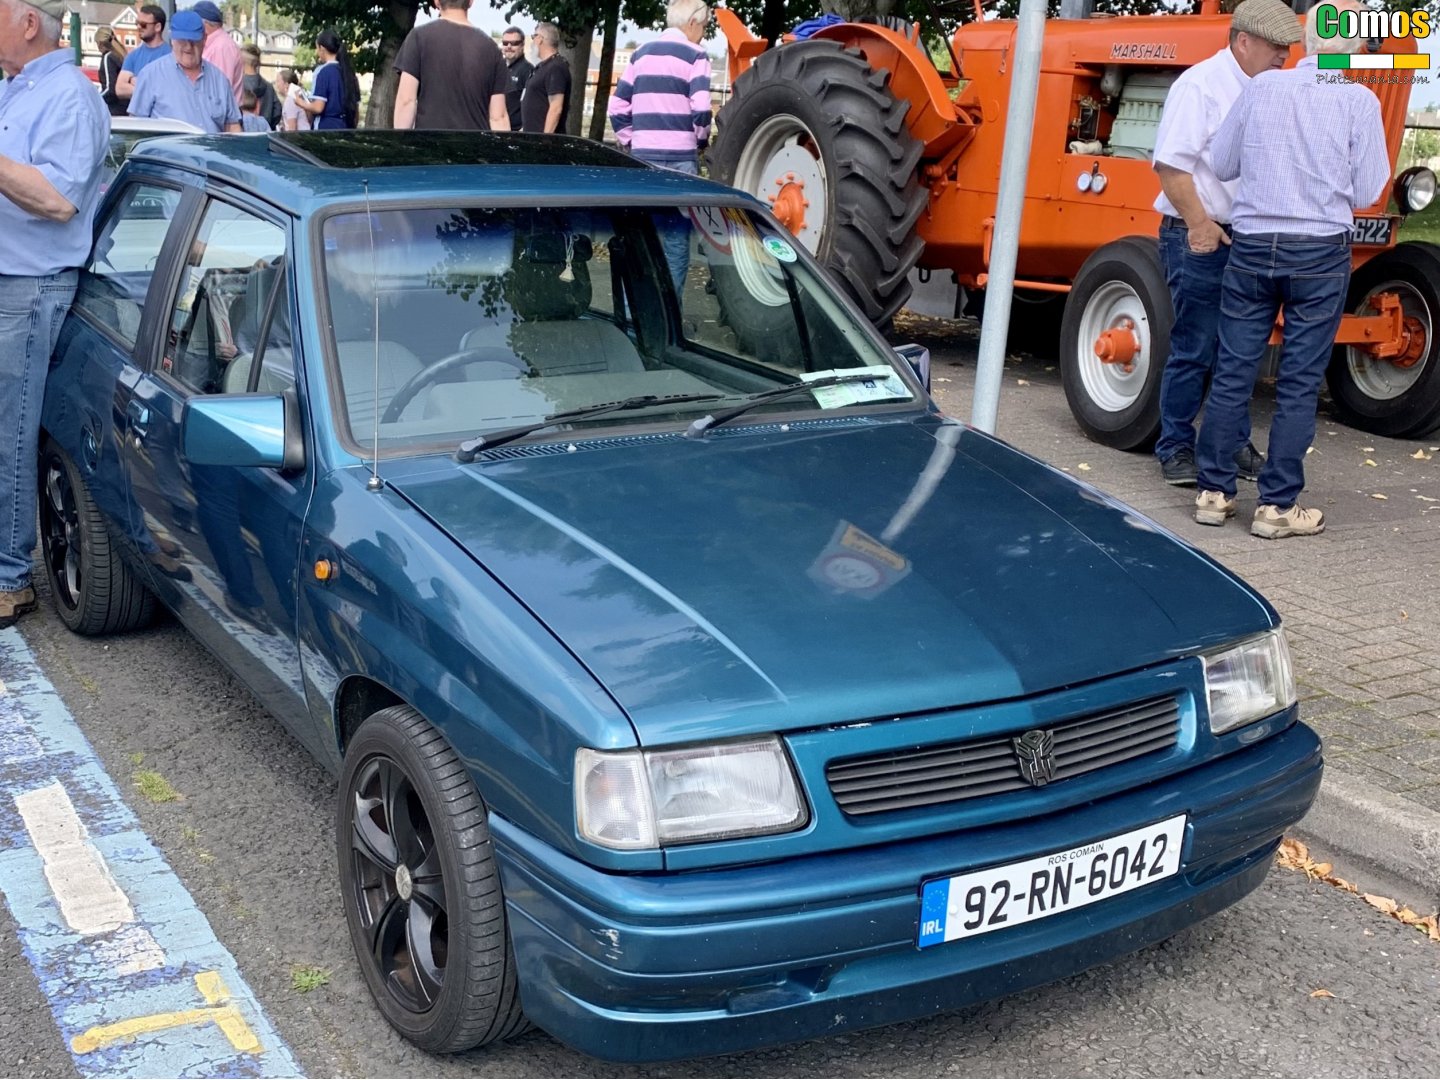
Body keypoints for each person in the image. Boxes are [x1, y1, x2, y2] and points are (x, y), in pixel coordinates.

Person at [1193, 0, 1389, 538]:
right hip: (1320, 250)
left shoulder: (1260, 88)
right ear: (1354, 46)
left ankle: (1213, 493)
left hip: (1253, 244)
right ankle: (1277, 507)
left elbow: (1225, 163)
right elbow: (1372, 187)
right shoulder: (1360, 101)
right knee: (1299, 382)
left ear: (1306, 39)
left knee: (1233, 371)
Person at [1150, 0, 1299, 488]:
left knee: (1235, 351)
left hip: (1242, 235)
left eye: (1288, 46)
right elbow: (1172, 166)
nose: (1284, 54)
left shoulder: (1264, 88)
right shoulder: (1200, 86)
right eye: (1276, 46)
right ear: (1242, 41)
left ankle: (1228, 445)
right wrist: (1199, 225)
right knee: (1196, 345)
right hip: (1199, 232)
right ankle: (1174, 446)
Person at [0, 0, 110, 629]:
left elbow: (59, 200)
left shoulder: (69, 96)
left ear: (29, 21)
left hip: (30, 283)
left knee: (12, 430)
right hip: (13, 279)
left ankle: (10, 577)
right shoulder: (18, 88)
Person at [607, 0, 712, 289]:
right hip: (681, 160)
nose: (703, 33)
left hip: (643, 160)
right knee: (677, 243)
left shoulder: (640, 54)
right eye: (704, 27)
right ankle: (671, 317)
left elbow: (616, 107)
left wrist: (632, 140)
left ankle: (634, 317)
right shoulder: (696, 55)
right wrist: (700, 140)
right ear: (692, 23)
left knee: (643, 237)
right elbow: (702, 107)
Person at [392, 0, 508, 131]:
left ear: (436, 2)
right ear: (470, 2)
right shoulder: (492, 48)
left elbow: (406, 101)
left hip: (431, 144)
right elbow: (498, 117)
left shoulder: (418, 37)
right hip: (476, 146)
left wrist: (400, 143)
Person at [129, 9, 241, 133]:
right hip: (167, 152)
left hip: (212, 151)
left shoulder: (220, 80)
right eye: (182, 40)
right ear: (172, 39)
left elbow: (232, 126)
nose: (188, 47)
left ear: (204, 39)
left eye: (194, 41)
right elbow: (135, 127)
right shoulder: (150, 75)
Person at [297, 29, 360, 129]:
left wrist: (301, 103)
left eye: (317, 48)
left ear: (322, 48)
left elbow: (318, 107)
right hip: (346, 126)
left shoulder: (324, 72)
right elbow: (356, 110)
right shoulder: (349, 73)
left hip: (326, 127)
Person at [521, 22, 569, 133]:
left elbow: (556, 108)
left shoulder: (556, 67)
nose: (532, 41)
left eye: (533, 37)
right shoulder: (542, 67)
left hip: (545, 143)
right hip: (532, 138)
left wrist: (545, 139)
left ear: (539, 39)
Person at [191, 0, 242, 101]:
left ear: (204, 24)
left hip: (221, 114)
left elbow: (219, 91)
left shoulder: (222, 47)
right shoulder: (217, 44)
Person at [116, 4, 167, 100]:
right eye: (137, 23)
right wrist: (148, 89)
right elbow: (120, 89)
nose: (138, 27)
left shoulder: (171, 55)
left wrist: (137, 83)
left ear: (158, 27)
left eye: (143, 25)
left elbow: (167, 90)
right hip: (137, 114)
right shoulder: (133, 55)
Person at [241, 42, 281, 130]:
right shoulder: (269, 87)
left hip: (242, 134)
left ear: (241, 61)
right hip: (265, 133)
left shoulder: (237, 86)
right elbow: (277, 111)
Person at [499, 25, 531, 132]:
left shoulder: (528, 71)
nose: (509, 46)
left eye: (514, 43)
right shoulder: (497, 67)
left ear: (522, 45)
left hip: (515, 133)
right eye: (505, 43)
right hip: (495, 128)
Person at [94, 25, 128, 116]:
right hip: (126, 107)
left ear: (100, 43)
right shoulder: (121, 55)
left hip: (114, 109)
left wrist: (95, 100)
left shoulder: (108, 57)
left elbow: (110, 89)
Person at [276, 67, 310, 131]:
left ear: (286, 84)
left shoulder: (290, 100)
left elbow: (292, 128)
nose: (277, 84)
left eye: (278, 81)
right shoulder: (297, 97)